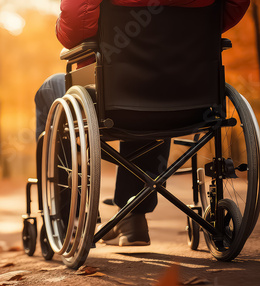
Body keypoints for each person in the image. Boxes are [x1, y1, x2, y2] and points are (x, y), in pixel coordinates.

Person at [35, 0, 250, 246]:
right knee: (155, 100)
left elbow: (75, 28)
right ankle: (132, 217)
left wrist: (59, 27)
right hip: (189, 99)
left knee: (49, 89)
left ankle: (67, 218)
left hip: (117, 97)